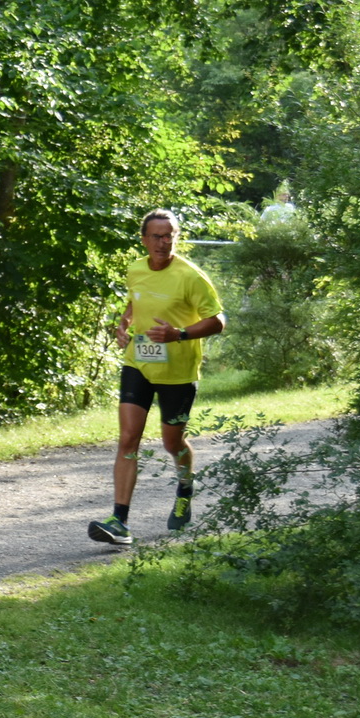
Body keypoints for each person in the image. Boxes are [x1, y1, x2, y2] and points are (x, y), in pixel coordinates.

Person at [89, 209, 226, 546]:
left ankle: (185, 487)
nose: (164, 242)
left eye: (170, 236)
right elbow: (135, 303)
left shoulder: (190, 276)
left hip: (178, 373)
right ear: (144, 239)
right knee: (127, 439)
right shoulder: (136, 269)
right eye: (157, 236)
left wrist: (178, 334)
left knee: (171, 442)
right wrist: (122, 326)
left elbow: (218, 321)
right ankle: (119, 521)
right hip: (138, 363)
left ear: (176, 237)